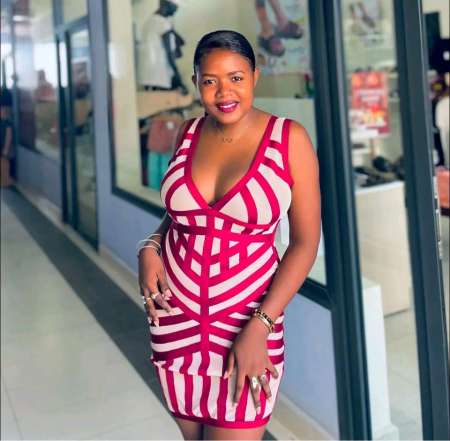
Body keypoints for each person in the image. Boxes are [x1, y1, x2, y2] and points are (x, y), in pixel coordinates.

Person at [137, 30, 321, 440]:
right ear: (195, 82)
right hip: (175, 323)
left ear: (255, 75)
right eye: (210, 80)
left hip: (248, 323)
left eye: (236, 78)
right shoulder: (187, 133)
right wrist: (150, 247)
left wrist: (261, 324)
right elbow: (183, 216)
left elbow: (305, 244)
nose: (224, 92)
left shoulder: (288, 139)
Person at [1, 88, 14, 187]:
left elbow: (9, 134)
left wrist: (6, 148)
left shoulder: (6, 121)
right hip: (3, 142)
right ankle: (5, 180)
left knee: (4, 160)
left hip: (3, 143)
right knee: (4, 160)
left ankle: (5, 180)